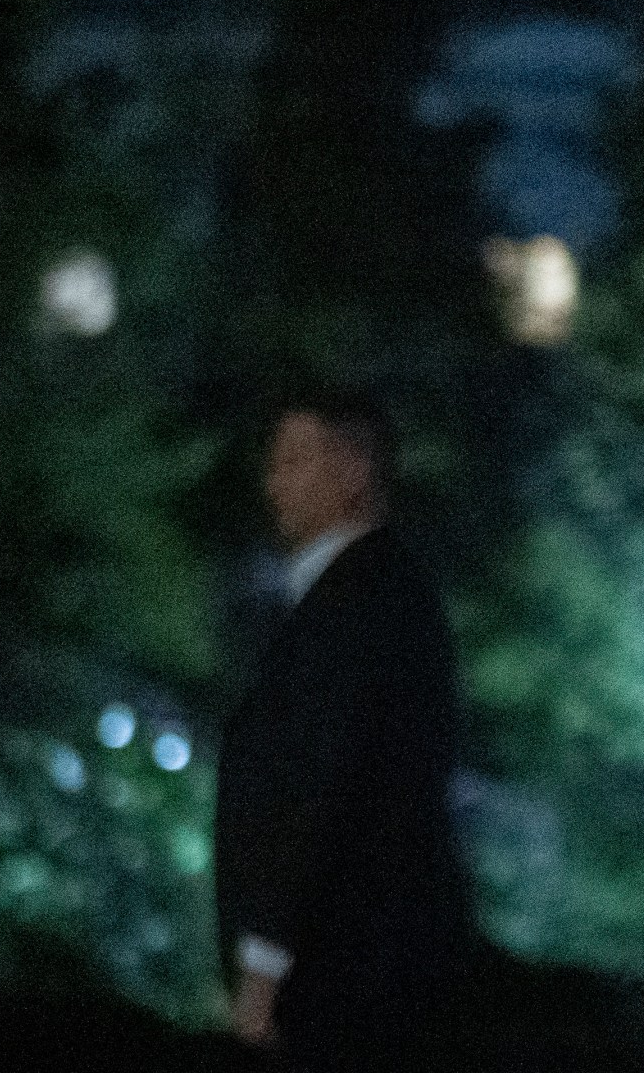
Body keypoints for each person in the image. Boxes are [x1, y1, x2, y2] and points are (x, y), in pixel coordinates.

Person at [215, 392, 469, 1068]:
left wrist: (262, 973)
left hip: (339, 982)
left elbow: (314, 790)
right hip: (373, 970)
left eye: (295, 460)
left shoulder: (353, 605)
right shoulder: (381, 593)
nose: (275, 482)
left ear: (356, 469)